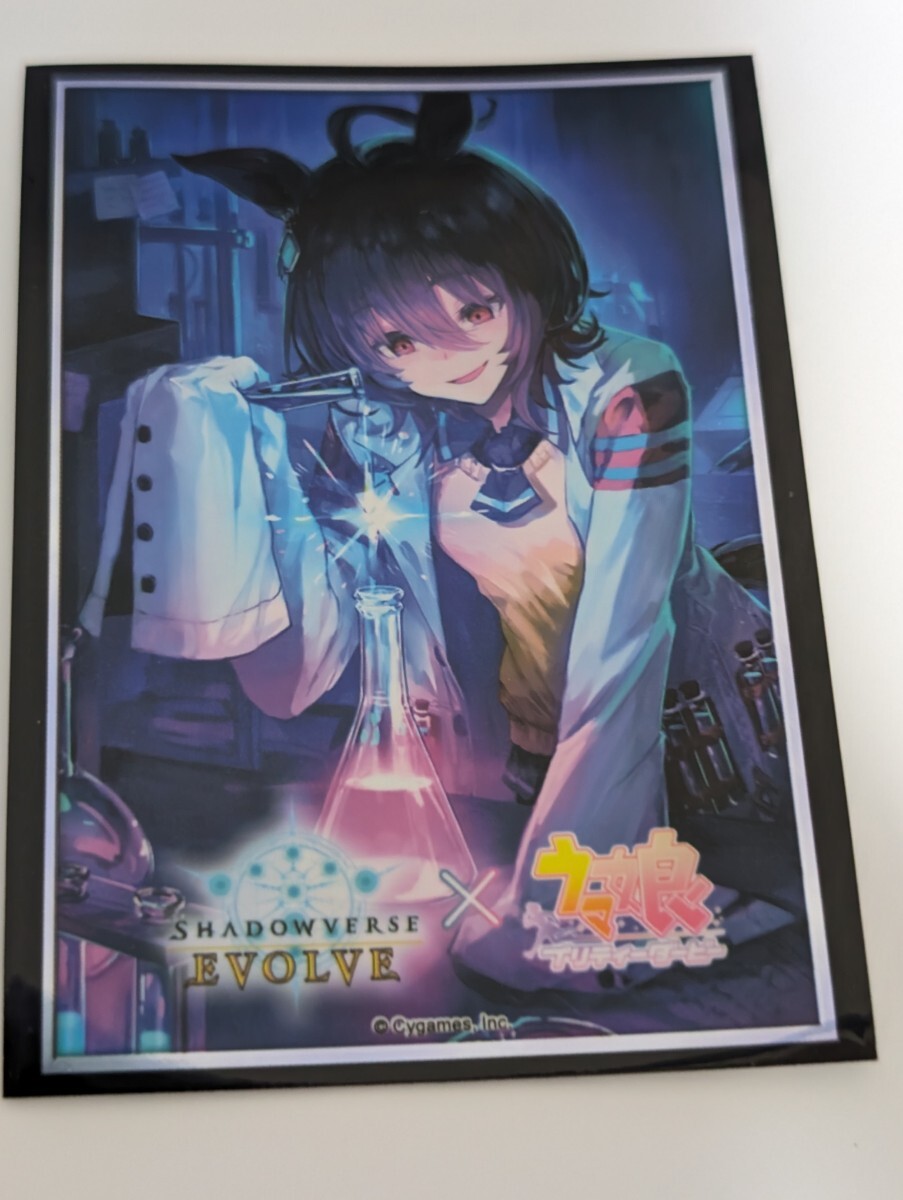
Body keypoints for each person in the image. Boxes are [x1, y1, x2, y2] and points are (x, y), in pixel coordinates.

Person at [82, 92, 778, 990]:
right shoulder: (386, 424)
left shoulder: (628, 388)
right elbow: (297, 679)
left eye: (477, 312)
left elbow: (625, 645)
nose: (447, 360)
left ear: (526, 274)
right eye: (398, 340)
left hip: (708, 749)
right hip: (515, 776)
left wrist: (555, 907)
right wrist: (248, 460)